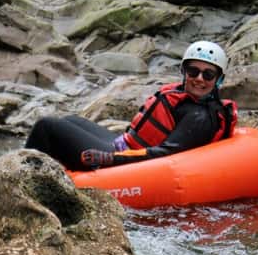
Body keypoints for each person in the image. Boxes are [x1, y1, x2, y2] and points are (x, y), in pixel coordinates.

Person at [25, 41, 237, 170]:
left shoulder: (199, 117)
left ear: (218, 79)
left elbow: (166, 155)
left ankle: (15, 177)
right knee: (69, 120)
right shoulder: (187, 98)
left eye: (208, 74)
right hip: (125, 145)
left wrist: (111, 159)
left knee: (46, 126)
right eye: (193, 71)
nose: (199, 78)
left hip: (127, 160)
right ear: (183, 72)